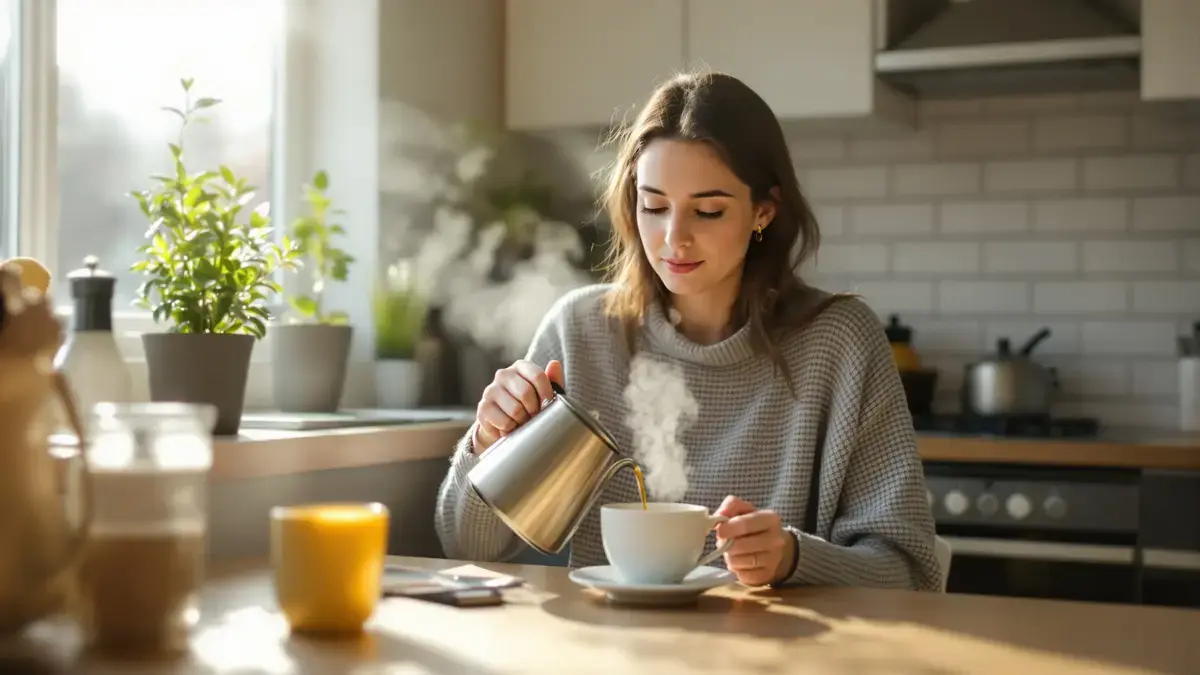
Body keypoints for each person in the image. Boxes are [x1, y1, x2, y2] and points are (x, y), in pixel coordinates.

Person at [435, 71, 940, 591]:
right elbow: (467, 546)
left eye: (708, 211)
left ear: (763, 210)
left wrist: (792, 558)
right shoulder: (581, 332)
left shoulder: (839, 342)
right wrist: (487, 441)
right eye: (654, 206)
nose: (674, 239)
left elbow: (910, 575)